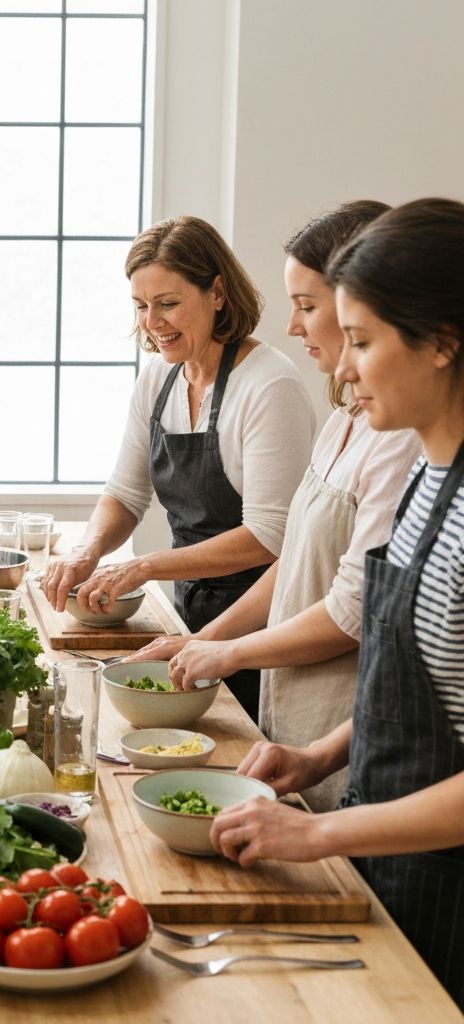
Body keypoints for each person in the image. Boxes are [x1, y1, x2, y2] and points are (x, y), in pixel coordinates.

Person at [211, 198, 464, 1008]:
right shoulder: (429, 478)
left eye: (360, 341)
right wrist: (321, 758)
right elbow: (417, 677)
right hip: (384, 848)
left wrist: (319, 830)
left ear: (442, 343)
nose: (341, 368)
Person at [128, 202, 421, 809]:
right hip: (294, 718)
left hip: (342, 728)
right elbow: (293, 562)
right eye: (140, 305)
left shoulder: (395, 438)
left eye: (308, 306)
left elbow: (348, 608)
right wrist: (199, 640)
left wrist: (223, 648)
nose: (294, 327)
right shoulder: (345, 420)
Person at [42, 215, 315, 717]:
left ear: (217, 292)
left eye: (168, 304)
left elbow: (270, 535)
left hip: (259, 625)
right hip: (189, 611)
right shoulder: (159, 379)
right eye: (141, 306)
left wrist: (142, 566)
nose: (152, 321)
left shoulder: (269, 385)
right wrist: (88, 551)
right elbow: (125, 494)